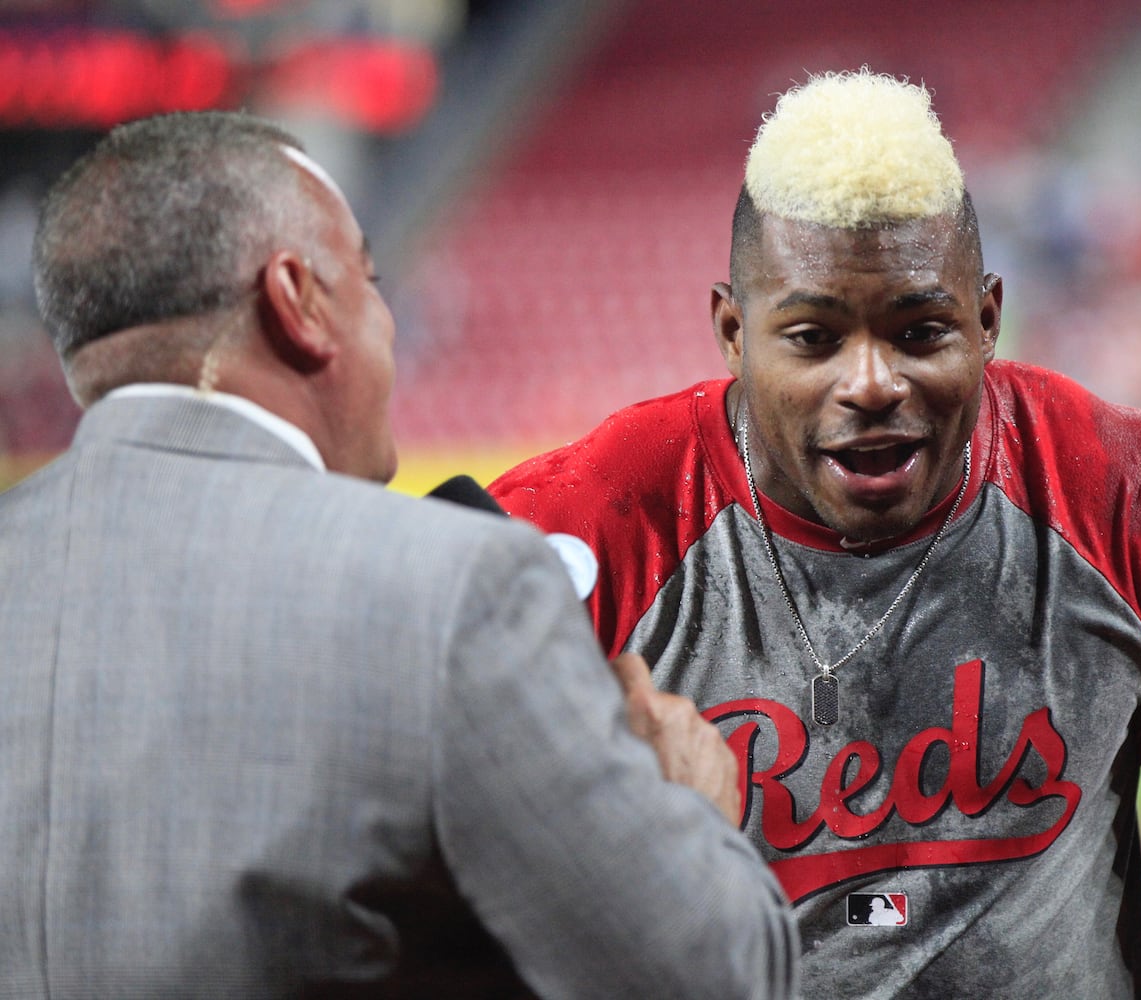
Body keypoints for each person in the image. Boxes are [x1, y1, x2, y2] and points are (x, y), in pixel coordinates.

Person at [488, 70, 1141, 998]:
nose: (871, 382)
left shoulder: (1138, 502)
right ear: (732, 331)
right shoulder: (574, 534)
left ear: (988, 319)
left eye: (920, 331)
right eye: (811, 337)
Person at [0, 109, 798, 999]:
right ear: (297, 300)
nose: (388, 323)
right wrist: (686, 813)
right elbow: (706, 976)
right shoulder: (455, 584)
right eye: (371, 280)